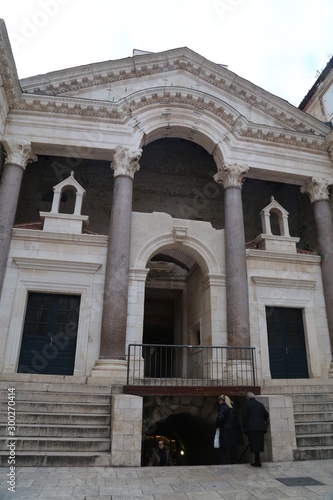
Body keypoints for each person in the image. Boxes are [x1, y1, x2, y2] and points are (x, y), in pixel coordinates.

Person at [242, 391, 269, 467]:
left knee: (254, 444)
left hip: (252, 428)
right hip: (260, 427)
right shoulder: (260, 405)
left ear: (247, 398)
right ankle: (258, 459)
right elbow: (266, 415)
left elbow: (244, 417)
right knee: (258, 444)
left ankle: (257, 460)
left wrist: (244, 427)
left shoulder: (247, 405)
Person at [215, 394, 244, 464]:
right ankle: (235, 462)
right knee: (233, 448)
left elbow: (220, 418)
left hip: (225, 430)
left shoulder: (223, 407)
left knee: (223, 448)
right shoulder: (233, 407)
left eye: (219, 401)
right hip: (234, 430)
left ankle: (223, 463)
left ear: (221, 400)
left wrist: (217, 425)